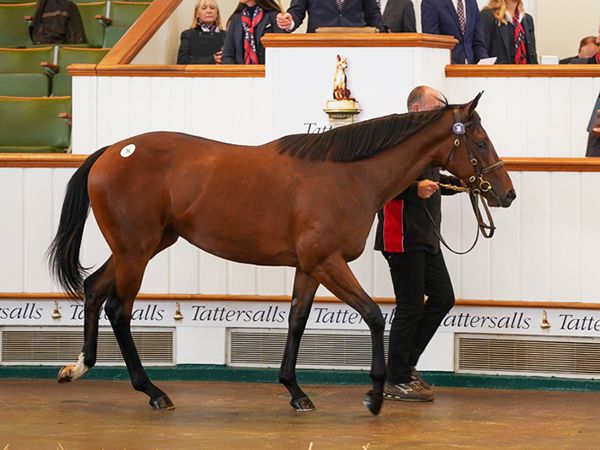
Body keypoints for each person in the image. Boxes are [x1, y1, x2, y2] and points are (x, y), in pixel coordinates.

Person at [375, 85, 461, 402]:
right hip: (401, 236)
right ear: (416, 108)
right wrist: (414, 188)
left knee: (443, 298)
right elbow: (381, 183)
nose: (443, 110)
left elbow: (433, 183)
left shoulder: (429, 142)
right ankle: (397, 378)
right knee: (410, 306)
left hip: (426, 235)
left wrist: (460, 183)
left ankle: (402, 367)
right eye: (438, 104)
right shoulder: (396, 139)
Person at [421, 0, 488, 64]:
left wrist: (485, 64)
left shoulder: (471, 3)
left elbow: (478, 42)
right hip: (444, 70)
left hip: (470, 70)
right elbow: (432, 44)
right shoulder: (432, 2)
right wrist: (455, 69)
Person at [222, 0, 283, 65]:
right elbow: (227, 54)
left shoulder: (273, 16)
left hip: (269, 71)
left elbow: (281, 49)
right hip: (241, 72)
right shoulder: (236, 19)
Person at [480, 0, 537, 64]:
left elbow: (532, 57)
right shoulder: (487, 16)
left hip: (525, 72)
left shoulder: (527, 20)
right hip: (499, 72)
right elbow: (481, 52)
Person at [276, 0, 384, 33]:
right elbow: (297, 11)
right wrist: (289, 22)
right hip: (319, 47)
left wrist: (383, 38)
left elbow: (373, 14)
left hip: (356, 44)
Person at [177, 0, 226, 65]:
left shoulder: (226, 35)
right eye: (204, 8)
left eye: (212, 8)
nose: (209, 11)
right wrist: (212, 59)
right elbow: (182, 62)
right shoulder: (188, 34)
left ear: (217, 13)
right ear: (197, 14)